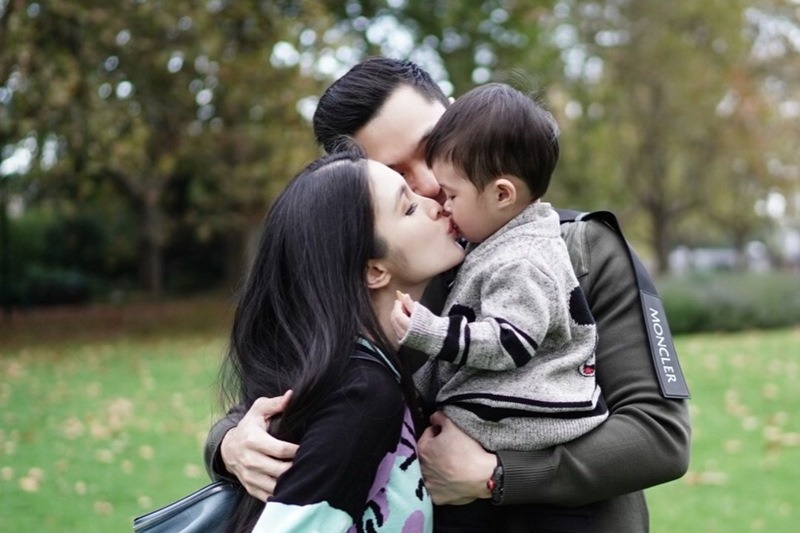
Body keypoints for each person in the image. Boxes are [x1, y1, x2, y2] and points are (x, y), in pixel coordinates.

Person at [205, 57, 691, 532]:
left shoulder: (581, 251)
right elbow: (299, 380)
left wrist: (497, 476)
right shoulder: (383, 277)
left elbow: (659, 435)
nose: (429, 183)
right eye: (395, 174)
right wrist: (228, 444)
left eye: (431, 146)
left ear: (460, 112)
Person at [390, 83, 607, 531]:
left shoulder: (522, 260)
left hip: (527, 418)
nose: (441, 203)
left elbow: (510, 342)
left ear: (502, 195)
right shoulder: (504, 242)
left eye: (451, 195)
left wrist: (428, 331)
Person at [218, 148, 465, 532]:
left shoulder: (354, 372)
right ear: (374, 270)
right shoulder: (362, 392)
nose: (434, 204)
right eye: (409, 208)